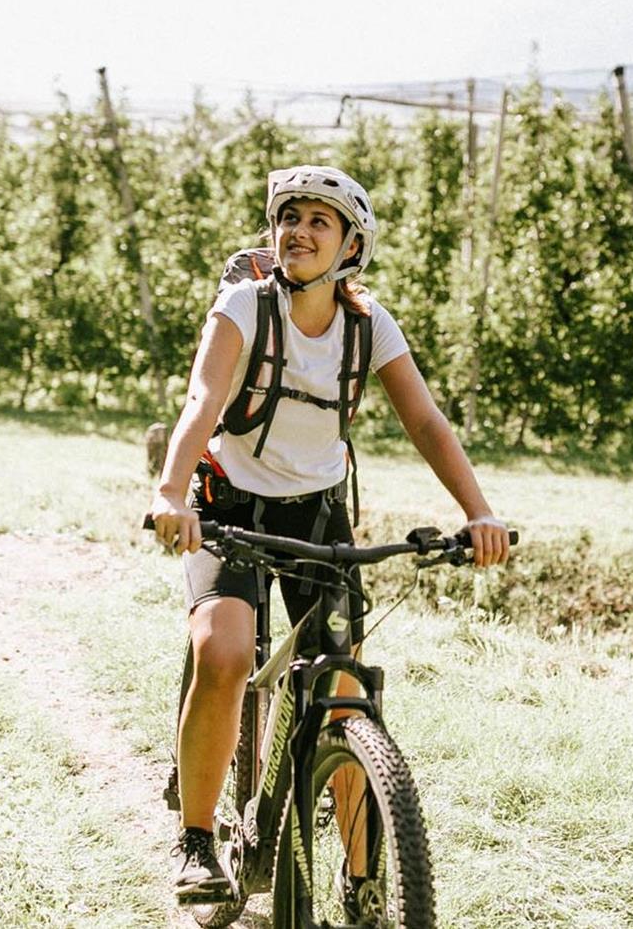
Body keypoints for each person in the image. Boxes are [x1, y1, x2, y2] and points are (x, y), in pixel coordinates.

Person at [147, 164, 511, 904]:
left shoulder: (368, 324)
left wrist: (478, 512)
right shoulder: (243, 305)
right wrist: (168, 492)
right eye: (289, 217)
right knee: (221, 651)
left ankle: (365, 880)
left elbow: (424, 422)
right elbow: (202, 399)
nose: (298, 231)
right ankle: (195, 839)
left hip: (315, 511)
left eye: (319, 220)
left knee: (344, 688)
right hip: (228, 503)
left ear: (351, 244)